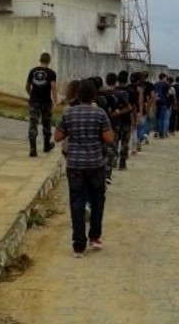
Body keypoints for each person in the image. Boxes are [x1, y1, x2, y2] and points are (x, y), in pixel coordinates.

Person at [54, 79, 114, 257]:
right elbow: (109, 138)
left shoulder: (69, 113)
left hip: (75, 164)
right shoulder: (100, 113)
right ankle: (94, 236)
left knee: (76, 202)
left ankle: (78, 246)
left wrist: (72, 132)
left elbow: (57, 137)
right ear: (94, 96)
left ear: (77, 95)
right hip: (95, 164)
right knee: (97, 200)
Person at [25, 52, 57, 157]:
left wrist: (31, 95)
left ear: (40, 60)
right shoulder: (51, 73)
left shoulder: (32, 71)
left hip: (34, 101)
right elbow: (53, 88)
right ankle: (46, 146)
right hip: (46, 102)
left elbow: (27, 86)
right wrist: (55, 101)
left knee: (33, 123)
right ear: (49, 61)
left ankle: (33, 148)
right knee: (46, 123)